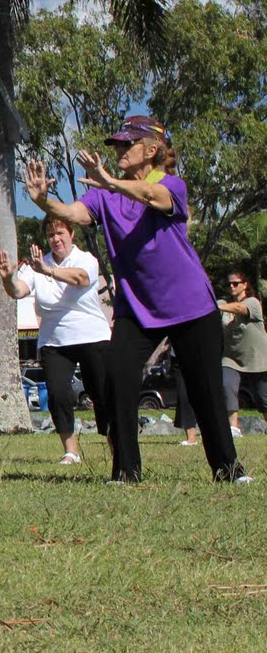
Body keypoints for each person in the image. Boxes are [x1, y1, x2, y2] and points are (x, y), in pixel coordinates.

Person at [26, 115, 248, 483]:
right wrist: (44, 200)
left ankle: (228, 470)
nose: (119, 151)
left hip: (191, 305)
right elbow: (74, 213)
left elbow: (149, 196)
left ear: (151, 150)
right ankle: (126, 471)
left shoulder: (171, 184)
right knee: (117, 379)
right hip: (139, 309)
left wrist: (110, 181)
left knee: (205, 390)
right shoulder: (103, 194)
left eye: (127, 144)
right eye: (117, 145)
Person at [0, 218, 110, 465]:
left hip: (92, 336)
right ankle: (71, 451)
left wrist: (47, 270)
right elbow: (18, 291)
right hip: (54, 340)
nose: (55, 239)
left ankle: (116, 445)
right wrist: (8, 278)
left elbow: (80, 279)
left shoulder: (86, 259)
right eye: (50, 235)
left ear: (71, 234)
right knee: (58, 395)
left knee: (102, 393)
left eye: (60, 233)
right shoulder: (38, 264)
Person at [217, 272, 267, 435]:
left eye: (235, 283)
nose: (231, 286)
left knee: (262, 398)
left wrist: (216, 305)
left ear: (245, 285)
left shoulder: (253, 302)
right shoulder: (224, 305)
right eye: (228, 284)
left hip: (257, 358)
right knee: (227, 386)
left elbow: (239, 308)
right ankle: (234, 427)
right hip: (232, 357)